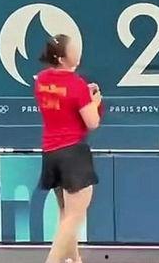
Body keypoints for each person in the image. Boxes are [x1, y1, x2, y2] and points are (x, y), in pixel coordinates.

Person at [34, 34, 103, 263]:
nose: (78, 52)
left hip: (51, 154)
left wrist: (84, 96)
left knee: (66, 216)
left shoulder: (41, 80)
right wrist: (94, 102)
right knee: (73, 218)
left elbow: (60, 100)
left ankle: (75, 260)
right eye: (74, 49)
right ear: (62, 58)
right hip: (73, 155)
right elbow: (92, 122)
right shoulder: (76, 84)